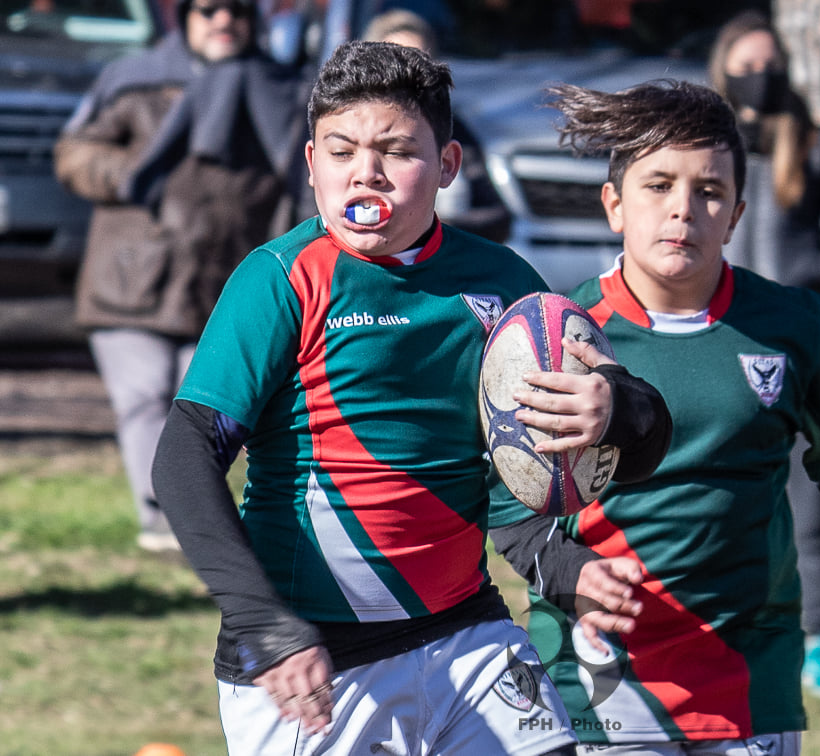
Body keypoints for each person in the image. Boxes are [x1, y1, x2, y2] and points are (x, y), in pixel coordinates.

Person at [150, 40, 671, 755]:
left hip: (467, 634)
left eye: (396, 151)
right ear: (312, 164)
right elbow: (182, 458)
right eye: (341, 151)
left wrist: (613, 410)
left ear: (448, 165)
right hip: (317, 663)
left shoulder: (500, 283)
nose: (365, 172)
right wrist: (262, 622)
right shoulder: (281, 279)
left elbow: (591, 450)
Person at [489, 79, 820, 755]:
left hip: (749, 675)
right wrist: (567, 571)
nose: (683, 208)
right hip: (601, 671)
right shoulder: (553, 337)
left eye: (708, 191)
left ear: (735, 215)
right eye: (658, 185)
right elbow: (502, 495)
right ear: (614, 205)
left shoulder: (790, 325)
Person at [53, 0, 309, 552]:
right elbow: (73, 153)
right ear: (184, 17)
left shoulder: (281, 91)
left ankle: (189, 514)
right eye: (208, 9)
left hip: (224, 281)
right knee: (144, 395)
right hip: (132, 278)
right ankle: (160, 517)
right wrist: (132, 174)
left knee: (203, 407)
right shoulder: (135, 80)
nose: (223, 21)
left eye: (237, 11)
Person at [708, 10, 820, 699]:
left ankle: (815, 636)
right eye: (746, 68)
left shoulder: (816, 144)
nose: (761, 78)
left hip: (803, 342)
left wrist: (813, 274)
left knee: (807, 495)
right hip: (724, 335)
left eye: (770, 65)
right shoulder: (708, 151)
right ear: (724, 73)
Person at [363, 7, 512, 243]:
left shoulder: (451, 127)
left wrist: (434, 229)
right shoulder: (344, 129)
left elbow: (496, 215)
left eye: (421, 64)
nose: (410, 76)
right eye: (397, 64)